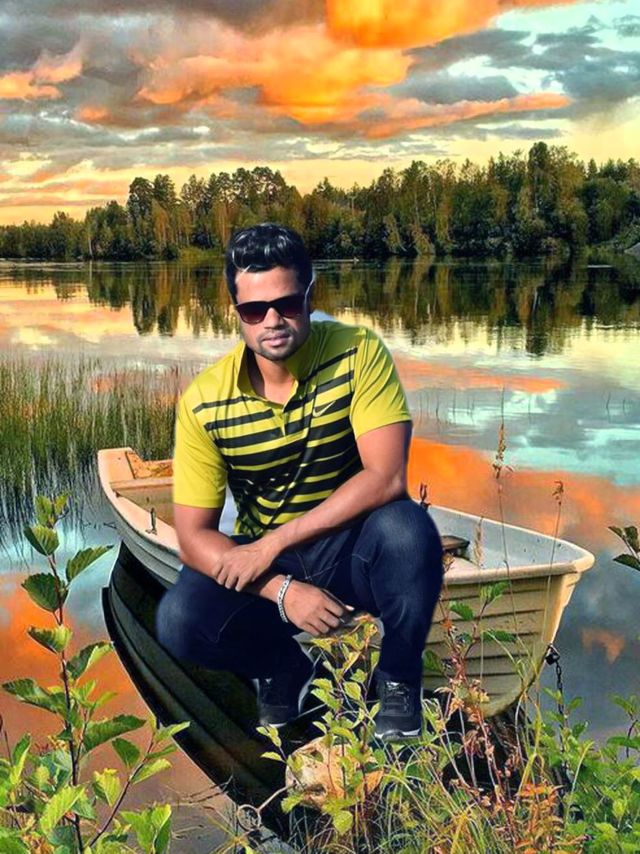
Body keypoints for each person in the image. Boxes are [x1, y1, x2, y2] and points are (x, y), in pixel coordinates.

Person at [155, 223, 444, 740]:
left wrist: (273, 543)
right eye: (254, 310)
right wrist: (282, 590)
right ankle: (283, 666)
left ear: (310, 296)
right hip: (272, 563)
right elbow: (194, 538)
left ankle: (398, 679)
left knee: (408, 531)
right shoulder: (204, 402)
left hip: (349, 548)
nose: (272, 320)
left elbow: (386, 478)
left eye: (286, 304)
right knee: (179, 620)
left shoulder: (358, 353)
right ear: (235, 311)